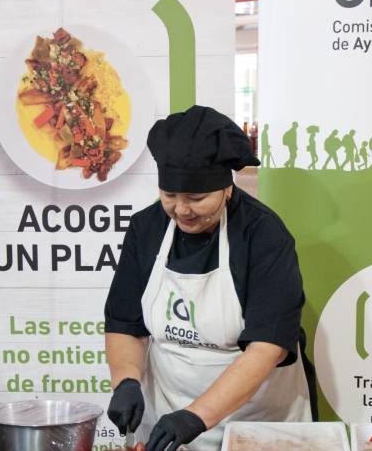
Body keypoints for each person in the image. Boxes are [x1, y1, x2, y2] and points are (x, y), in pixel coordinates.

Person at [104, 106, 314, 451]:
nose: (181, 210)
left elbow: (267, 348)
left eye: (196, 198)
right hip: (170, 424)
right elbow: (125, 324)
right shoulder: (147, 228)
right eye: (170, 195)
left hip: (256, 428)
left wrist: (196, 416)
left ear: (225, 188)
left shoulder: (262, 234)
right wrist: (126, 381)